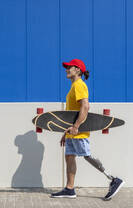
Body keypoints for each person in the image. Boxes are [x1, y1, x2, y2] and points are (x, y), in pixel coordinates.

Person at [51, 59, 124, 200]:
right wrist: (66, 132)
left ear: (77, 70)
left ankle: (113, 179)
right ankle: (69, 189)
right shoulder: (74, 86)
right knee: (69, 157)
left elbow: (85, 107)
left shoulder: (79, 85)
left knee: (86, 155)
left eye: (69, 67)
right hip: (72, 131)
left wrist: (77, 126)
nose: (66, 69)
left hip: (79, 130)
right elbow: (71, 113)